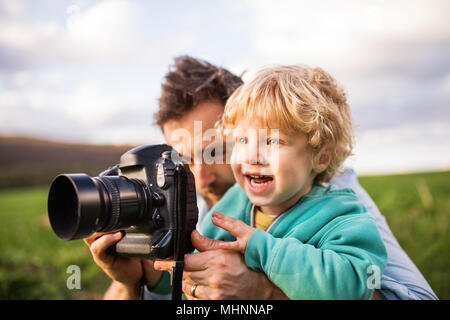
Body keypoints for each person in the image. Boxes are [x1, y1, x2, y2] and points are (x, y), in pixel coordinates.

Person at [84, 56, 438, 300]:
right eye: (240, 142)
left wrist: (261, 276)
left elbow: (351, 285)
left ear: (321, 155)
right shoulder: (233, 202)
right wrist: (146, 276)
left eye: (215, 150)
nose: (201, 175)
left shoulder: (343, 211)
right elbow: (192, 270)